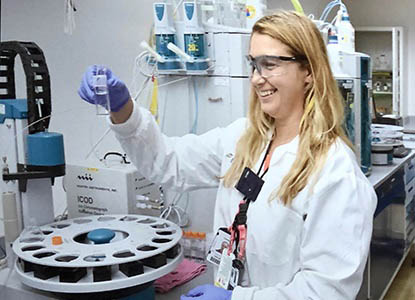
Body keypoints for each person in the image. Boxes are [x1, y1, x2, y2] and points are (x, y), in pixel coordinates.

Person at [78, 10, 377, 300]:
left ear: (308, 72)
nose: (257, 78)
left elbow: (326, 292)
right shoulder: (244, 137)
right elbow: (169, 162)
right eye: (253, 64)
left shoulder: (335, 172)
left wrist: (237, 299)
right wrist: (122, 110)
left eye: (269, 64)